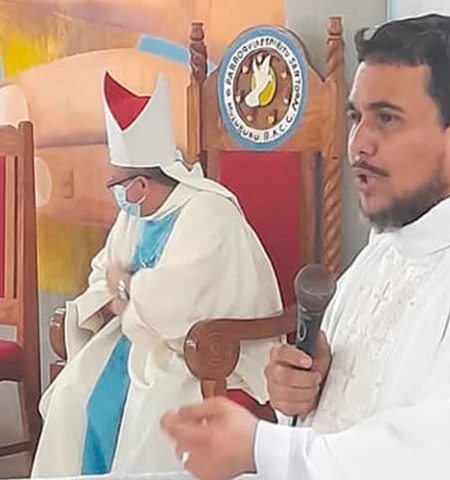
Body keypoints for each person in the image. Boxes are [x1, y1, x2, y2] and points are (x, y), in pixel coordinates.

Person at [161, 14, 450, 480]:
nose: (358, 145)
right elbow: (343, 416)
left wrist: (267, 448)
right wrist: (302, 393)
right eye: (356, 118)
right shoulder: (390, 248)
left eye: (387, 119)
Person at [31, 71, 283, 477]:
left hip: (197, 354)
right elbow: (106, 270)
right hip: (143, 340)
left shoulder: (209, 213)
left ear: (142, 184)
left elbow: (181, 300)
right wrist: (117, 292)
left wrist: (127, 287)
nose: (115, 191)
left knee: (146, 413)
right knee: (71, 396)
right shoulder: (138, 214)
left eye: (117, 182)